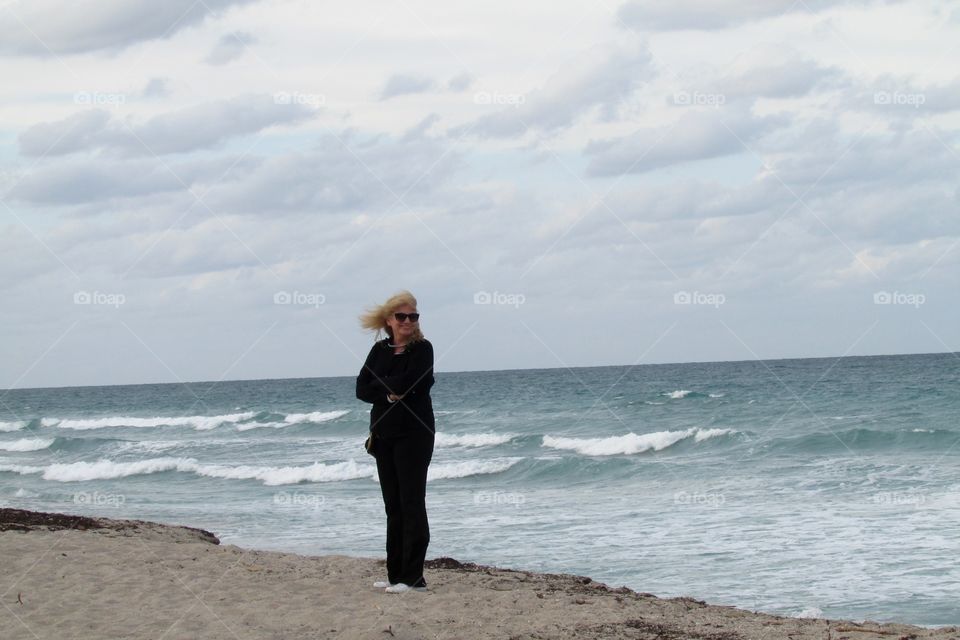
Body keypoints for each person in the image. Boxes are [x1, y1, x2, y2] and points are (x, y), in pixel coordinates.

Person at [356, 290, 435, 593]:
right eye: (401, 316)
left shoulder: (423, 349)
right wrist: (389, 393)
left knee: (412, 503)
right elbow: (362, 389)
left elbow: (415, 381)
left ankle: (414, 578)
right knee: (393, 507)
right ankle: (395, 575)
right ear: (389, 320)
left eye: (413, 316)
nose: (408, 321)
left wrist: (385, 386)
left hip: (415, 435)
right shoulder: (379, 350)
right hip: (383, 434)